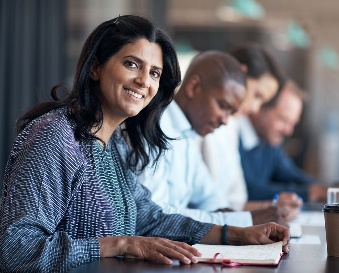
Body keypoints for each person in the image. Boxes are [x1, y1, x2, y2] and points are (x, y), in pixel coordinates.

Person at [0, 15, 290, 272]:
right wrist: (119, 244)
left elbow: (149, 218)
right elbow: (15, 250)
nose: (143, 81)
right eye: (131, 64)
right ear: (96, 68)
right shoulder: (55, 136)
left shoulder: (113, 145)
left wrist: (238, 234)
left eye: (154, 73)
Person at [134, 49, 291, 228]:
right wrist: (242, 221)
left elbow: (210, 198)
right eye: (222, 106)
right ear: (194, 87)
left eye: (231, 112)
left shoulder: (189, 134)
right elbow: (156, 214)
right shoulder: (155, 126)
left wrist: (247, 224)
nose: (225, 120)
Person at [201, 43, 302, 219]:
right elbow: (210, 206)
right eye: (257, 95)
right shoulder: (208, 125)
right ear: (241, 74)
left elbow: (234, 200)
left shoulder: (231, 126)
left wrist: (272, 208)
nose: (256, 109)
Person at [240, 79, 327, 202]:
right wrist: (308, 193)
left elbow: (291, 175)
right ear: (259, 107)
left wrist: (325, 190)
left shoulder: (269, 142)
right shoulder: (234, 135)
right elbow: (248, 190)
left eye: (292, 124)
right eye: (283, 120)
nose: (288, 132)